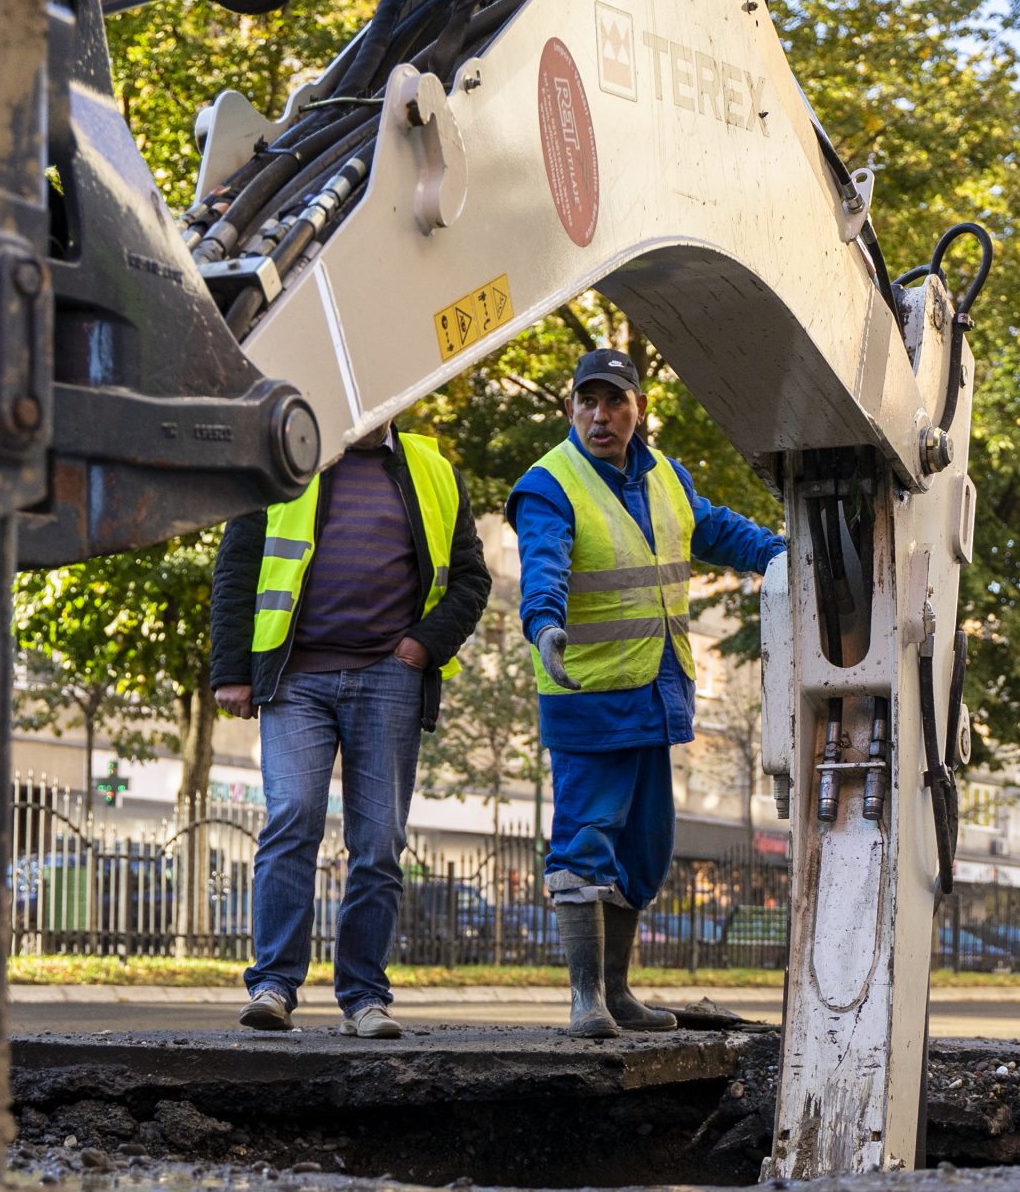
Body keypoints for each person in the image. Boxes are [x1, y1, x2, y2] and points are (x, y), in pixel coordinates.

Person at [507, 349, 786, 1038]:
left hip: (655, 692)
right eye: (587, 402)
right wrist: (543, 626)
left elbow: (714, 528)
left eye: (614, 402)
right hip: (591, 694)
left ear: (638, 407)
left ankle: (618, 991)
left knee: (645, 846)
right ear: (571, 407)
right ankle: (584, 999)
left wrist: (780, 551)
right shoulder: (550, 484)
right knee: (586, 840)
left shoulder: (665, 476)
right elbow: (543, 566)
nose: (600, 416)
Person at [209, 422, 491, 1037]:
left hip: (388, 677)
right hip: (295, 676)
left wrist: (423, 645)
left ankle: (365, 998)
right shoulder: (285, 458)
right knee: (292, 819)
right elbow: (239, 564)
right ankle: (273, 987)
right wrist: (231, 670)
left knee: (379, 841)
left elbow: (472, 579)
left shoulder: (434, 470)